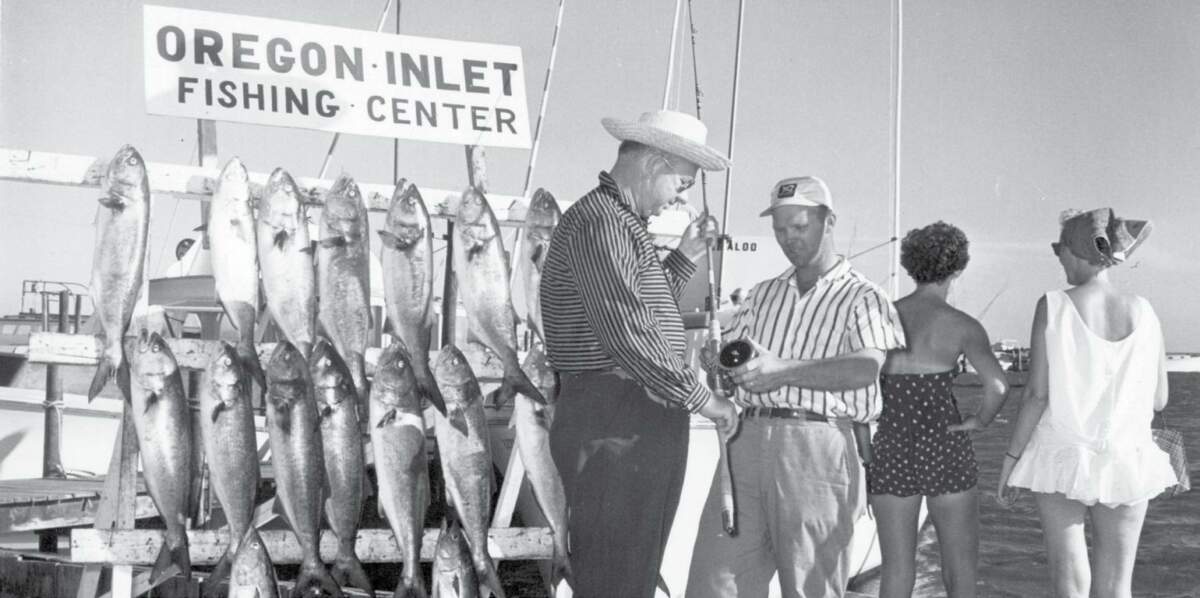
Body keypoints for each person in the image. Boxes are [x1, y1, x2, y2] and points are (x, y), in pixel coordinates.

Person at [539, 109, 741, 598]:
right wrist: (705, 399)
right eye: (682, 183)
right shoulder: (603, 223)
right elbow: (628, 333)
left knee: (630, 573)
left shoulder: (616, 222)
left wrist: (686, 256)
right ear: (653, 164)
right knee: (617, 575)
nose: (680, 198)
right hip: (616, 419)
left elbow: (642, 311)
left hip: (631, 419)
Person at [687, 176, 907, 598]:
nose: (789, 239)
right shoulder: (762, 294)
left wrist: (782, 371)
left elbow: (865, 367)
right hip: (744, 445)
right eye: (780, 229)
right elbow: (737, 369)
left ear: (830, 222)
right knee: (714, 585)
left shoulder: (865, 296)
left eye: (799, 227)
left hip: (819, 451)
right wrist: (719, 367)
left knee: (811, 588)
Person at [999, 208, 1176, 598]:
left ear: (1076, 251)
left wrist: (1010, 462)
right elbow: (1160, 398)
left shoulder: (1053, 305)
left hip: (1062, 451)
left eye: (1059, 249)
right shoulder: (1145, 311)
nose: (1058, 257)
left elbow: (1036, 394)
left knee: (1069, 580)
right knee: (1116, 587)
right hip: (1127, 456)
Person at [868, 221, 1010, 598]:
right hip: (944, 444)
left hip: (892, 445)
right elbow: (997, 386)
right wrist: (978, 421)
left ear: (910, 266)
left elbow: (858, 388)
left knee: (896, 569)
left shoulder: (882, 317)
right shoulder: (963, 326)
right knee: (959, 568)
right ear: (958, 268)